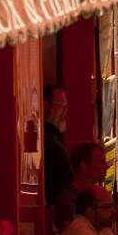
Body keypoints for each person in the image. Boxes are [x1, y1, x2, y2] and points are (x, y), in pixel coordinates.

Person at [43, 86, 72, 217]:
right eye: (62, 105)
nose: (66, 110)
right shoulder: (47, 143)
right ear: (44, 106)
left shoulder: (54, 140)